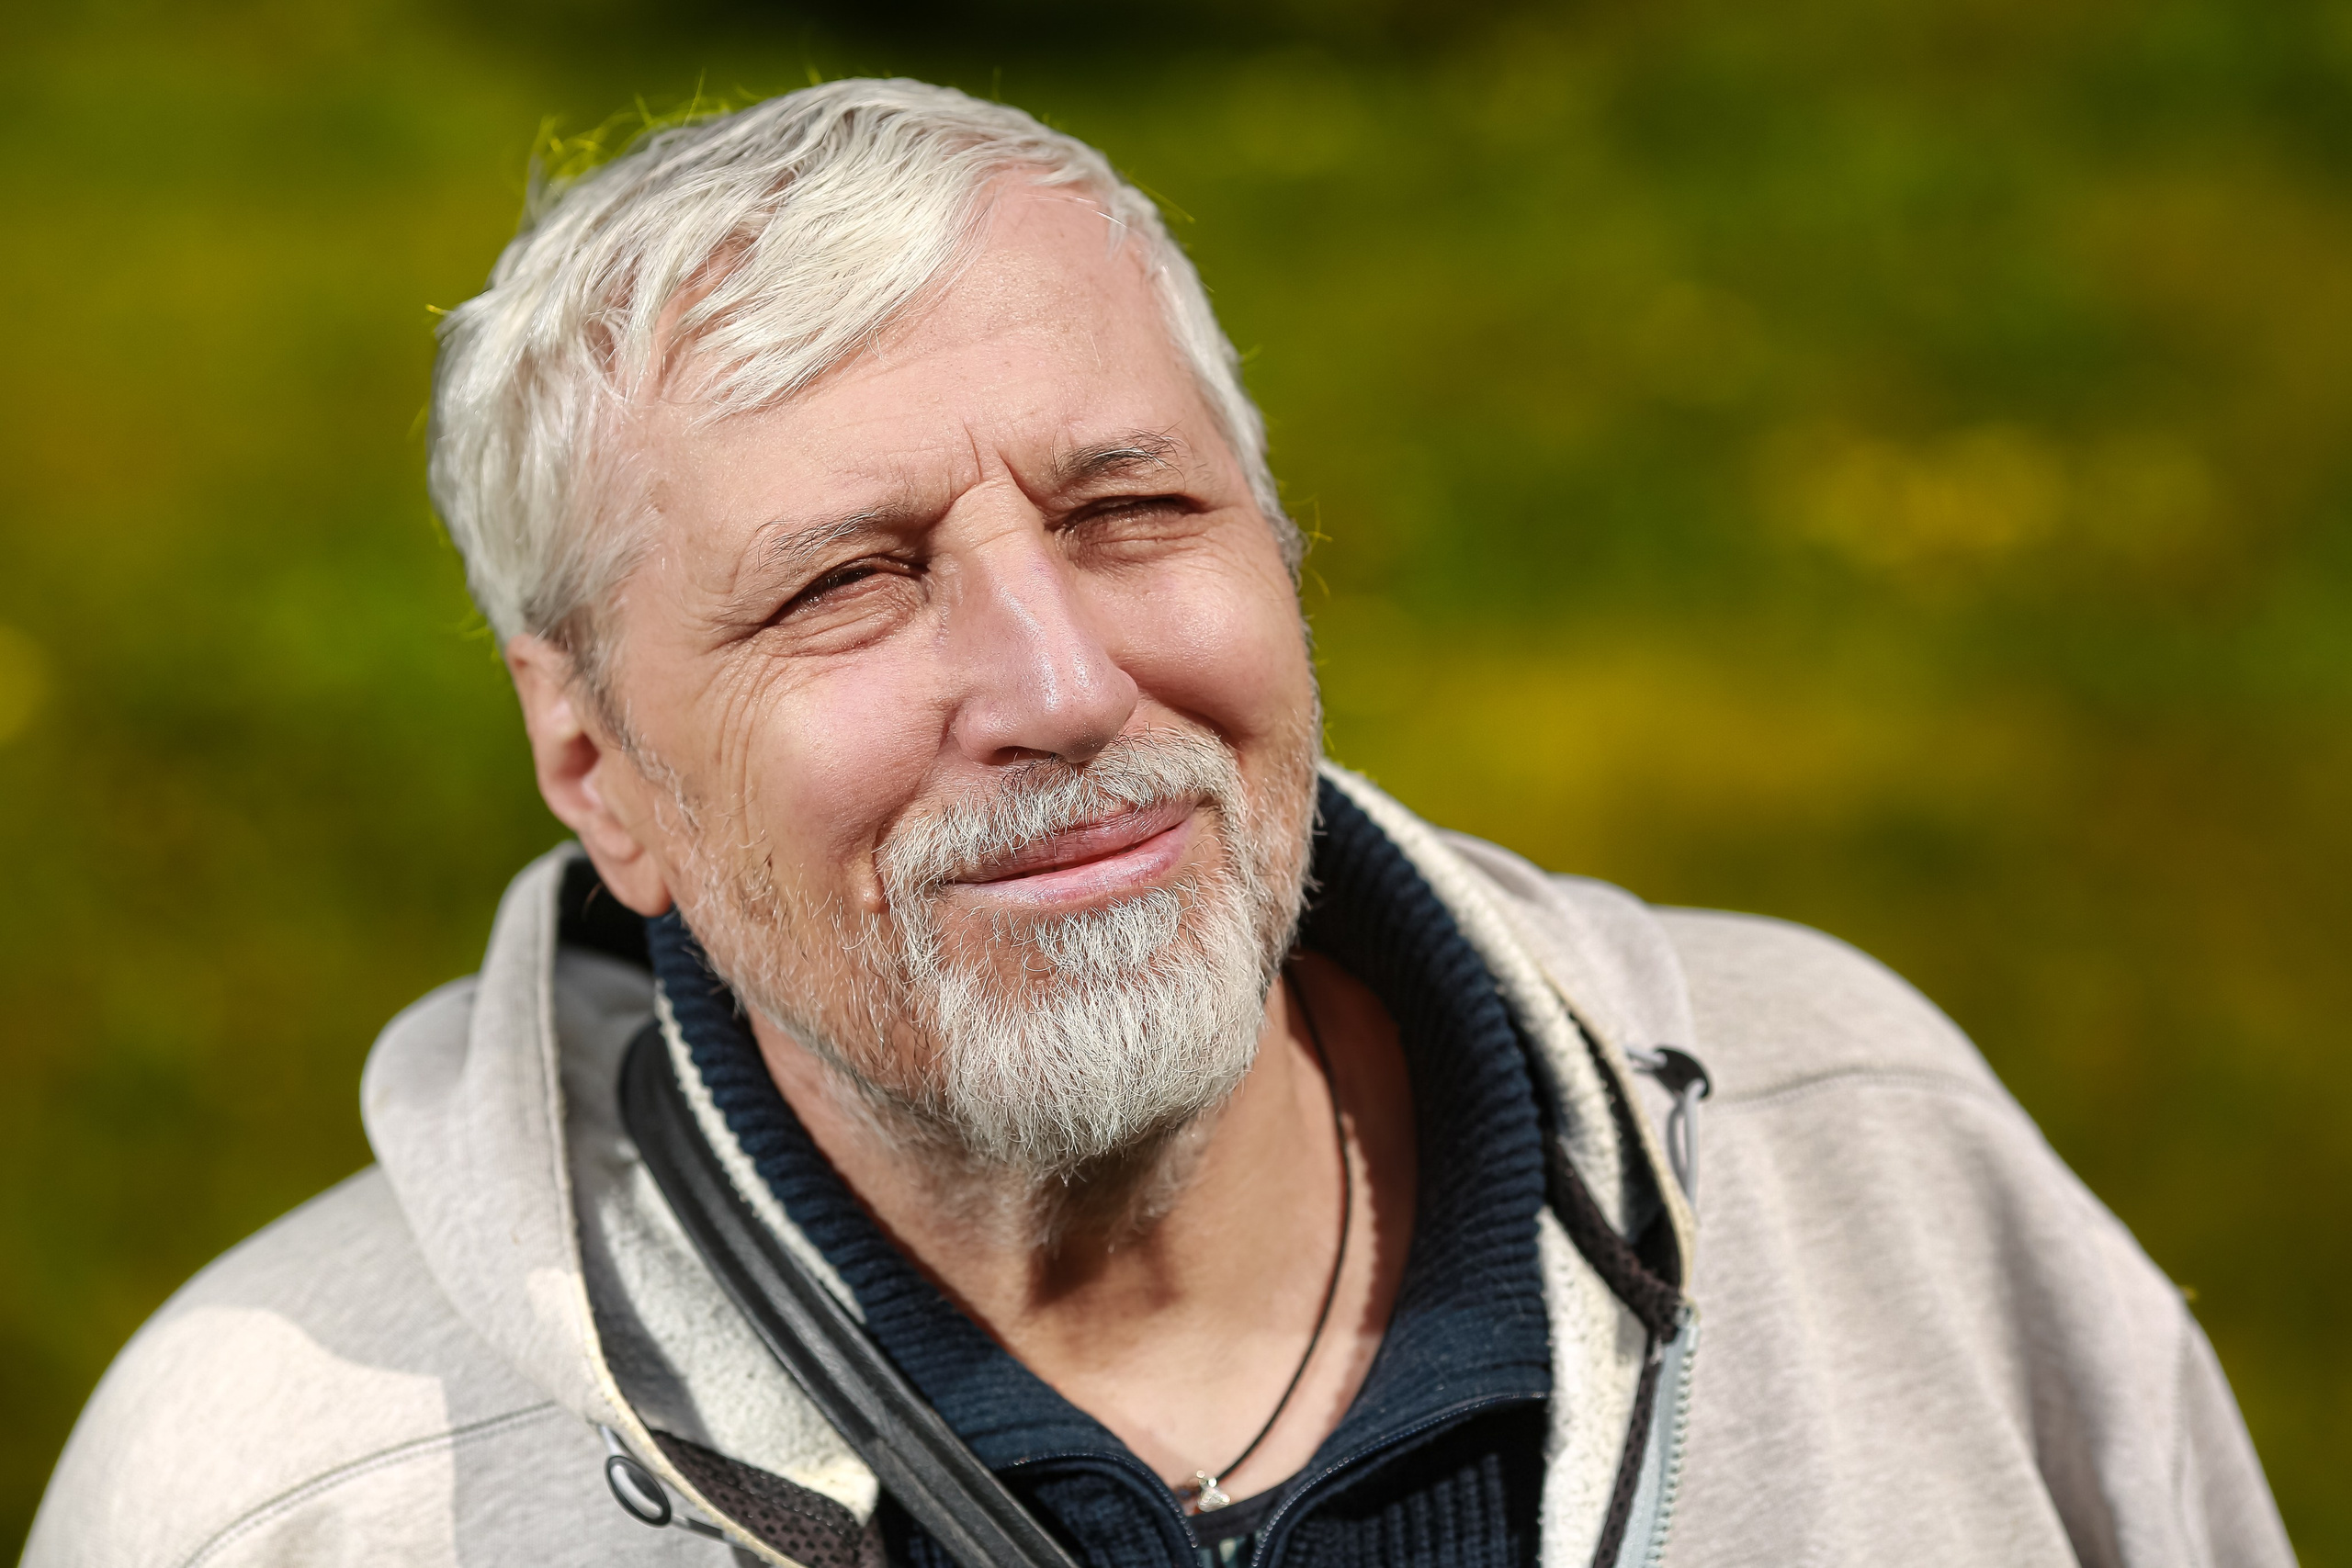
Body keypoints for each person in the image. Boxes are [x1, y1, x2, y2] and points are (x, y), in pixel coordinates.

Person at [25, 80, 2294, 1568]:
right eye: (849, 580)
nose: (1053, 685)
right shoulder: (281, 1488)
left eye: (1127, 512)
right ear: (595, 762)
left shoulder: (1858, 1153)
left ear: (1282, 554)